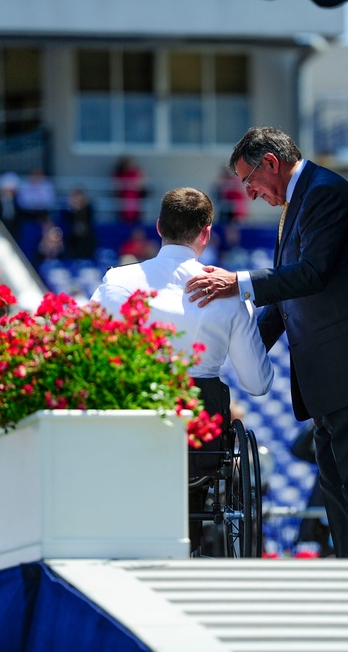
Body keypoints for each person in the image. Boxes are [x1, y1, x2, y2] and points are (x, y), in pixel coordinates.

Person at [185, 126, 348, 559]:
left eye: (249, 180)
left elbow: (312, 274)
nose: (250, 193)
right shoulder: (300, 200)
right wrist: (238, 345)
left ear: (270, 162)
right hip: (329, 375)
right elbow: (287, 298)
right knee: (338, 487)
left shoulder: (323, 192)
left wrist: (239, 282)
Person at [89, 186, 273, 554]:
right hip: (199, 441)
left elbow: (82, 341)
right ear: (206, 233)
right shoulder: (228, 292)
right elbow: (257, 383)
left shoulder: (117, 281)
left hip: (129, 428)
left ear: (159, 227)